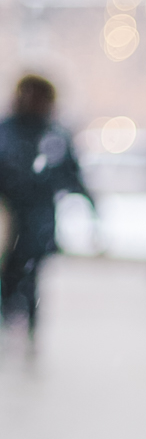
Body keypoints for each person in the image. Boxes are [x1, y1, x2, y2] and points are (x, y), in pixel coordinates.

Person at [0, 74, 94, 337]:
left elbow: (71, 173)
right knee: (11, 273)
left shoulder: (54, 134)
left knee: (32, 275)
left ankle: (29, 325)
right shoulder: (7, 130)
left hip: (39, 221)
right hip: (10, 220)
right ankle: (12, 316)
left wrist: (91, 206)